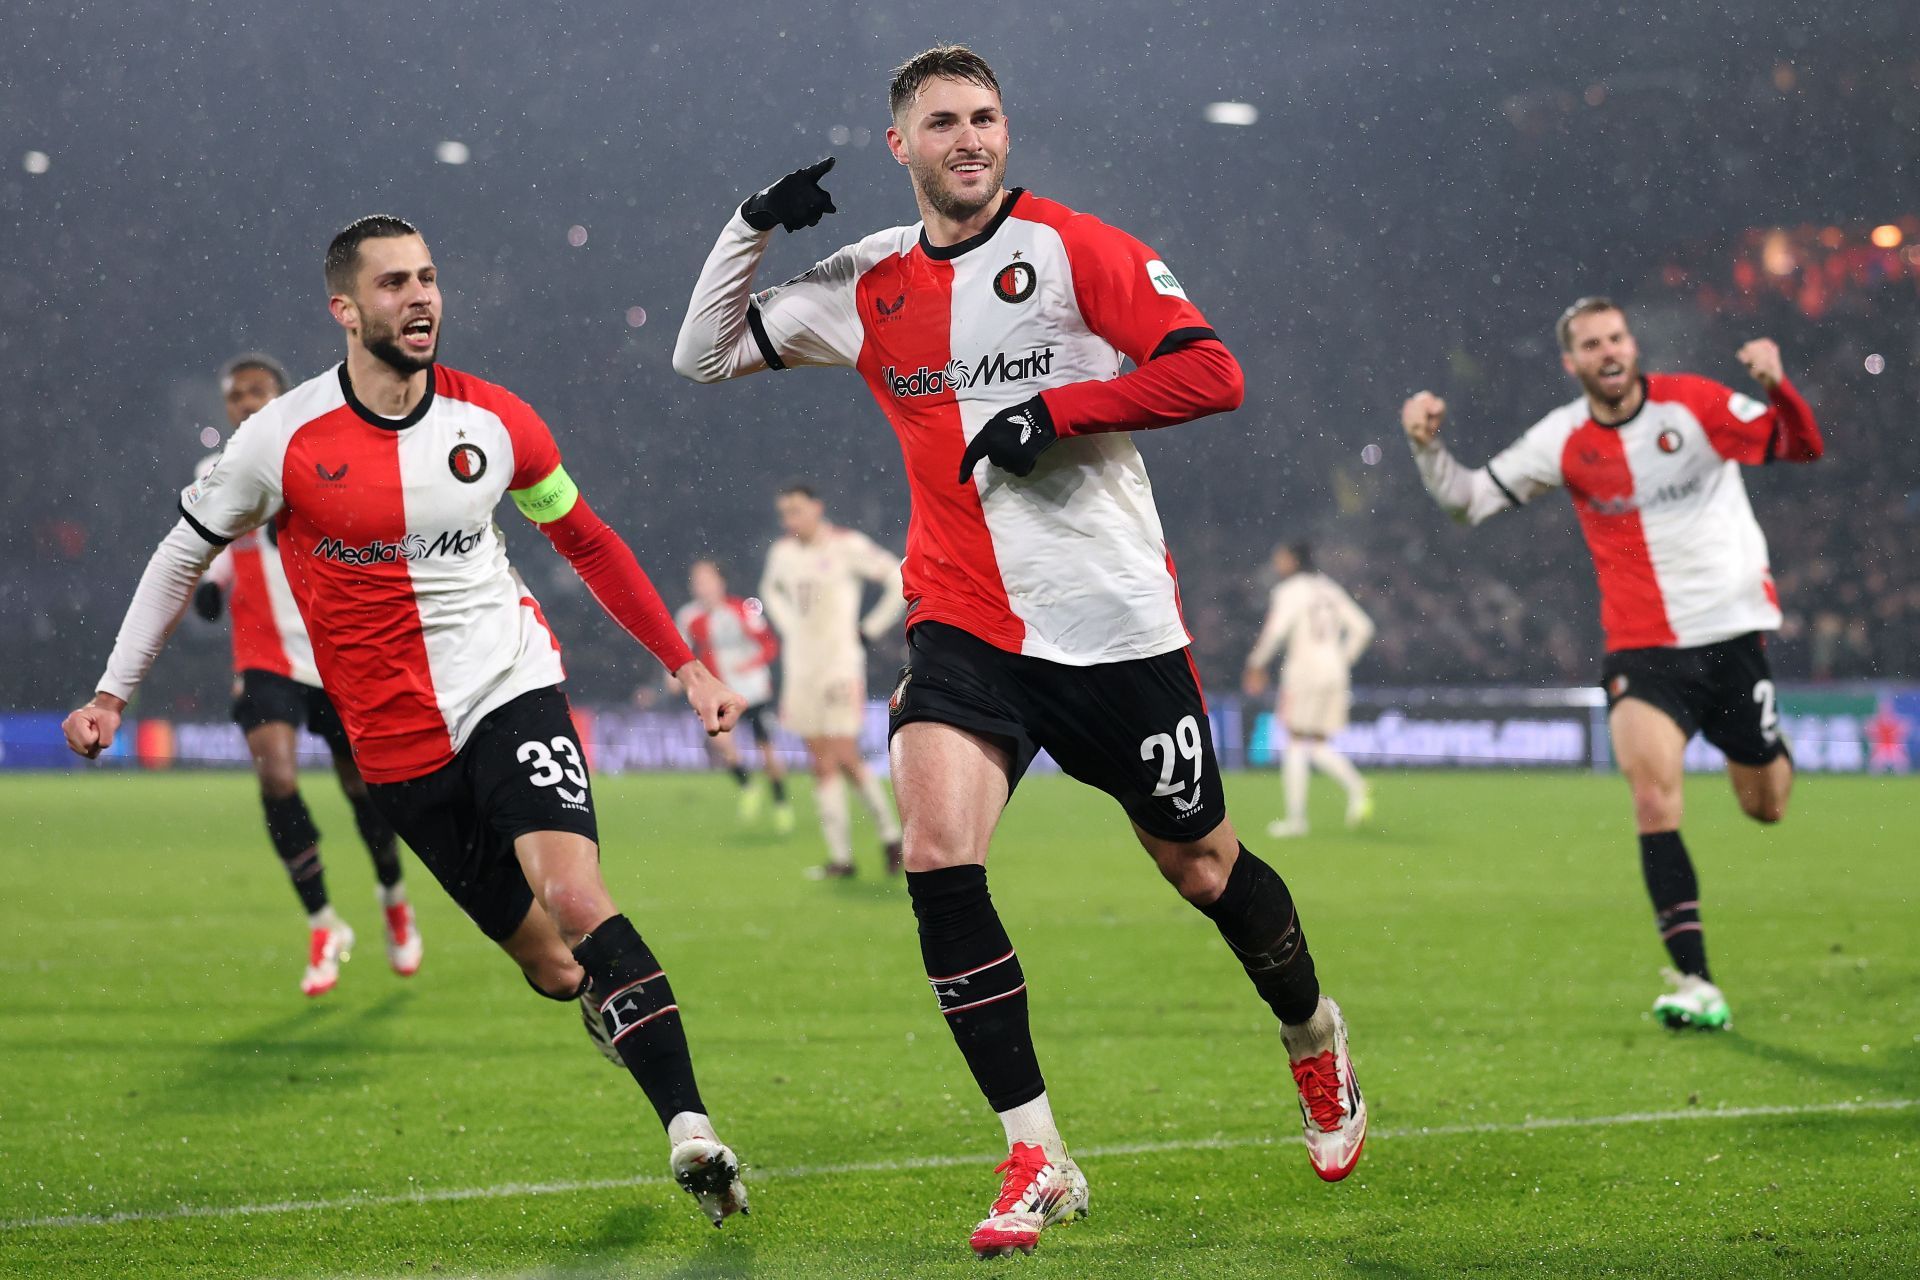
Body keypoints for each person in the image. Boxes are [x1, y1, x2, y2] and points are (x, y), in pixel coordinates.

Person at [675, 45, 1364, 1257]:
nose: (970, 138)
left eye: (986, 117)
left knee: (1204, 868)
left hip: (1115, 628)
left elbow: (1213, 370)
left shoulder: (1073, 247)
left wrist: (1062, 407)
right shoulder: (870, 276)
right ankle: (1039, 1149)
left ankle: (1314, 1038)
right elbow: (704, 353)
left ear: (1008, 132)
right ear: (902, 146)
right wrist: (748, 226)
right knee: (939, 854)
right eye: (942, 122)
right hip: (963, 620)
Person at [64, 215, 750, 1225]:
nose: (421, 297)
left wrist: (684, 663)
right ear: (345, 308)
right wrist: (114, 690)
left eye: (429, 278)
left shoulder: (497, 421)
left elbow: (588, 540)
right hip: (394, 741)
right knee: (558, 969)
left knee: (574, 892)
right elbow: (181, 555)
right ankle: (609, 1008)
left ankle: (690, 1127)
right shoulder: (281, 438)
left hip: (509, 685)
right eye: (394, 284)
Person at [1401, 296, 1824, 1032]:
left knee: (1767, 806)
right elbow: (1466, 502)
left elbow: (1801, 446)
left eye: (1618, 337)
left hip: (1731, 637)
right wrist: (1425, 447)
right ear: (1572, 363)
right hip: (1643, 649)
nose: (1610, 351)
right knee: (1653, 800)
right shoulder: (1561, 439)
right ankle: (1696, 981)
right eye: (1593, 343)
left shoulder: (1693, 403)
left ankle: (1764, 743)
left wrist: (1777, 386)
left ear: (1634, 344)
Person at [190, 353, 424, 997]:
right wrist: (209, 588)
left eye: (257, 391)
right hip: (264, 657)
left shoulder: (320, 456)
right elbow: (208, 550)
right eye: (235, 394)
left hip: (333, 653)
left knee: (364, 789)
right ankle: (324, 922)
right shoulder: (213, 473)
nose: (243, 402)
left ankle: (393, 896)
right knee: (277, 776)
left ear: (282, 397)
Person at [758, 485, 906, 877]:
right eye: (785, 512)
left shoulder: (846, 545)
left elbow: (899, 578)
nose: (791, 519)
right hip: (801, 669)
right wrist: (789, 625)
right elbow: (769, 590)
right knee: (820, 761)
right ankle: (842, 858)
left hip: (840, 665)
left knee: (844, 754)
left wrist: (870, 629)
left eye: (797, 510)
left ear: (817, 508)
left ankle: (892, 836)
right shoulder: (782, 554)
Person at [1241, 543, 1374, 838]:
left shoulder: (1289, 591)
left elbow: (1276, 632)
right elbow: (1363, 627)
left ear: (1292, 560)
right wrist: (1341, 659)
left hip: (1304, 672)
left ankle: (1297, 820)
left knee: (1295, 740)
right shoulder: (1329, 587)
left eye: (1280, 557)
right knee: (1312, 742)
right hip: (1335, 672)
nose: (1276, 562)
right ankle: (1355, 785)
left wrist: (1255, 663)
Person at [674, 558, 794, 833]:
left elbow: (769, 645)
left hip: (754, 689)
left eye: (706, 579)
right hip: (721, 690)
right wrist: (673, 677)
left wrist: (751, 665)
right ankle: (748, 786)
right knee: (719, 740)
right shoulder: (689, 616)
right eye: (697, 581)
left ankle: (780, 803)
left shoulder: (742, 609)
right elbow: (679, 650)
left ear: (720, 582)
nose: (701, 586)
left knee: (768, 751)